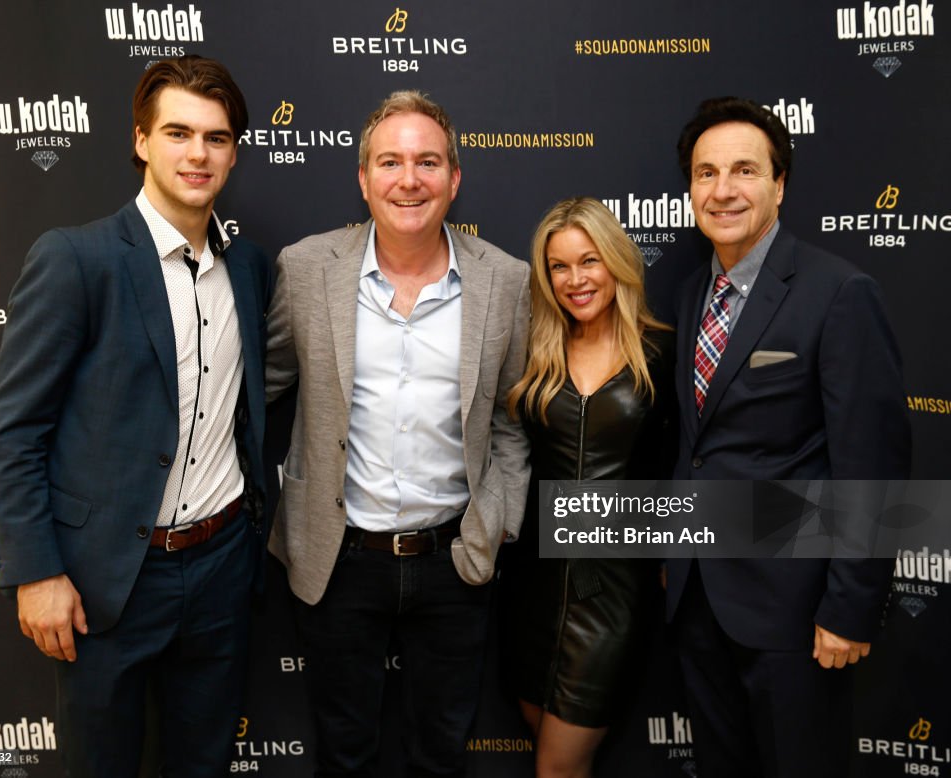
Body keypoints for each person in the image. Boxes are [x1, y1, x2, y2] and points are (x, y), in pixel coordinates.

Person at [0, 56, 271, 777]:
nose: (197, 153)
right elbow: (12, 429)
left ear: (234, 152)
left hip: (221, 570)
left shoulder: (250, 268)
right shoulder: (77, 260)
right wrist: (36, 572)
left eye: (216, 137)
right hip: (108, 578)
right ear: (141, 141)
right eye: (178, 132)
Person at [264, 90, 530, 777]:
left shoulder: (505, 281)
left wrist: (499, 521)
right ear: (363, 178)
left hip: (456, 559)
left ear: (454, 178)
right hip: (338, 557)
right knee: (344, 753)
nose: (408, 179)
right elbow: (257, 392)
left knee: (440, 754)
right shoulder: (306, 268)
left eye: (427, 162)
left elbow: (511, 417)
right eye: (390, 161)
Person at [666, 97, 911, 777]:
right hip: (700, 604)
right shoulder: (691, 295)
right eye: (705, 173)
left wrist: (852, 606)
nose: (722, 190)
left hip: (796, 615)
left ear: (780, 184)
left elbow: (873, 461)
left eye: (744, 170)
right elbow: (701, 447)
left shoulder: (839, 293)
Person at [502, 197, 675, 778]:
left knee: (558, 765)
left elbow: (685, 464)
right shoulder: (535, 352)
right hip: (531, 583)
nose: (575, 280)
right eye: (559, 266)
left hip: (613, 594)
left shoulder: (662, 353)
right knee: (546, 748)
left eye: (590, 260)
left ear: (618, 262)